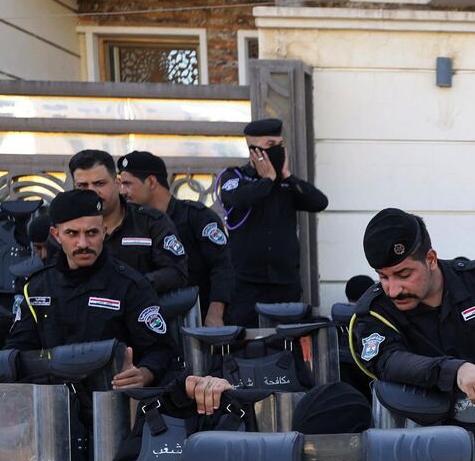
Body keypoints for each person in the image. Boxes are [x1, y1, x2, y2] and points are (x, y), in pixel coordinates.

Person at [346, 207, 475, 404]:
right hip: (418, 431)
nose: (393, 290)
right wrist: (455, 371)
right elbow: (390, 362)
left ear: (431, 260)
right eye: (383, 277)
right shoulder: (375, 311)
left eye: (404, 275)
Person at [8, 189, 175, 390]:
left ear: (104, 231)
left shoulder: (131, 286)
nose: (83, 244)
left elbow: (160, 350)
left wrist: (144, 374)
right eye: (72, 233)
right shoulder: (36, 287)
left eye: (91, 233)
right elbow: (17, 351)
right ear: (56, 235)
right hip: (50, 403)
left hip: (111, 404)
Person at [214, 117, 328, 326]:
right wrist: (266, 180)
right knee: (246, 340)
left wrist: (287, 176)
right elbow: (236, 198)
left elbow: (319, 202)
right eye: (271, 145)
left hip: (284, 281)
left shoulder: (285, 183)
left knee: (287, 340)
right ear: (253, 151)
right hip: (247, 282)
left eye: (280, 145)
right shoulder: (234, 177)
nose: (278, 150)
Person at [118, 150, 235, 326]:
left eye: (127, 184)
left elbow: (222, 266)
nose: (122, 191)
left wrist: (215, 313)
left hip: (197, 320)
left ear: (151, 182)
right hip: (149, 321)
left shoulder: (197, 217)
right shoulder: (129, 224)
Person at [66, 149, 189, 296]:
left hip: (139, 310)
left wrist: (130, 287)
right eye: (83, 186)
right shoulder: (65, 226)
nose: (92, 192)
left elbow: (176, 272)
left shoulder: (151, 222)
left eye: (99, 183)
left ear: (117, 183)